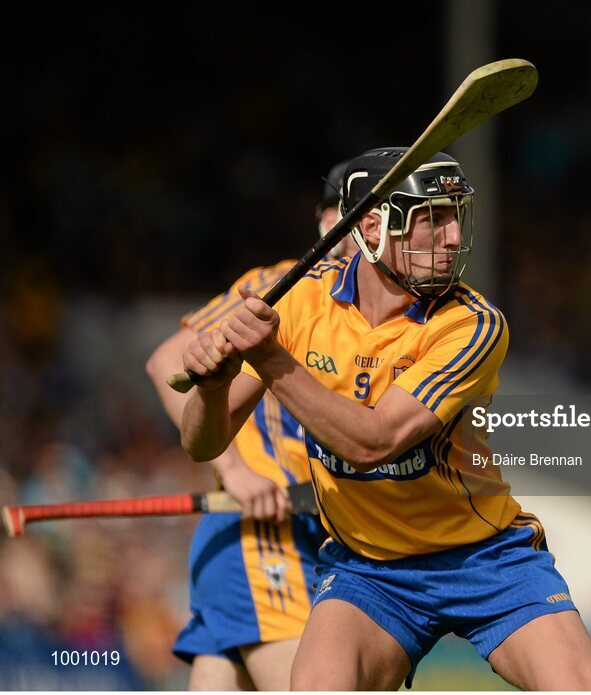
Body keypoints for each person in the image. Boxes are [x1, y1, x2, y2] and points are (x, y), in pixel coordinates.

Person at [179, 147, 591, 690]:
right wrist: (213, 390)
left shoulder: (472, 325)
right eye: (432, 217)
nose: (453, 237)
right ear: (375, 228)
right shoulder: (303, 306)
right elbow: (201, 444)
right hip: (370, 570)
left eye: (456, 214)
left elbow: (374, 441)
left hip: (483, 559)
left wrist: (268, 357)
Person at [145, 164, 356, 690]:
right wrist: (235, 470)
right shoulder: (279, 287)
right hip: (259, 533)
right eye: (348, 219)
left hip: (311, 532)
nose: (359, 236)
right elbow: (168, 360)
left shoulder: (368, 311)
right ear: (324, 220)